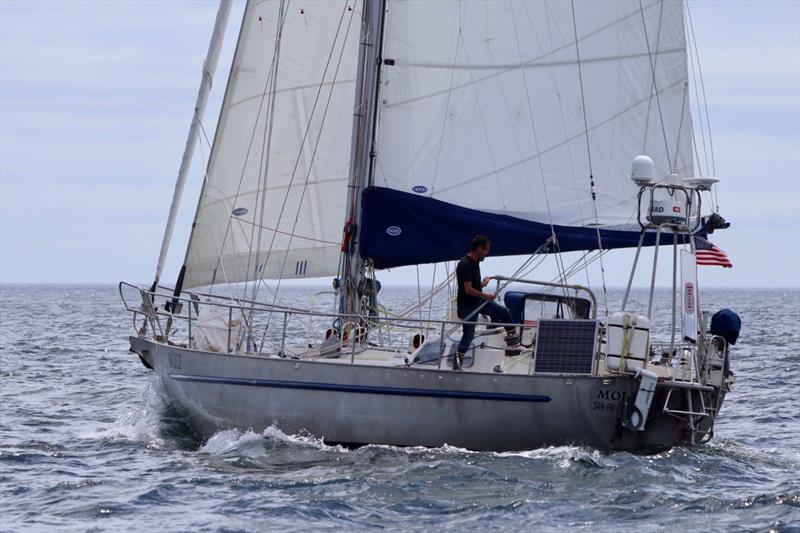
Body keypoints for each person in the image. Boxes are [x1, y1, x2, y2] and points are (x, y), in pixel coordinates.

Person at [453, 235, 520, 370]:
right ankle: (457, 361)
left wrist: (482, 284)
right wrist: (486, 296)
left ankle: (513, 340)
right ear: (479, 248)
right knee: (469, 334)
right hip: (468, 305)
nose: (487, 253)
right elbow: (467, 289)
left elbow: (473, 286)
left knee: (503, 312)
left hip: (477, 301)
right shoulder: (465, 264)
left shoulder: (475, 262)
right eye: (486, 250)